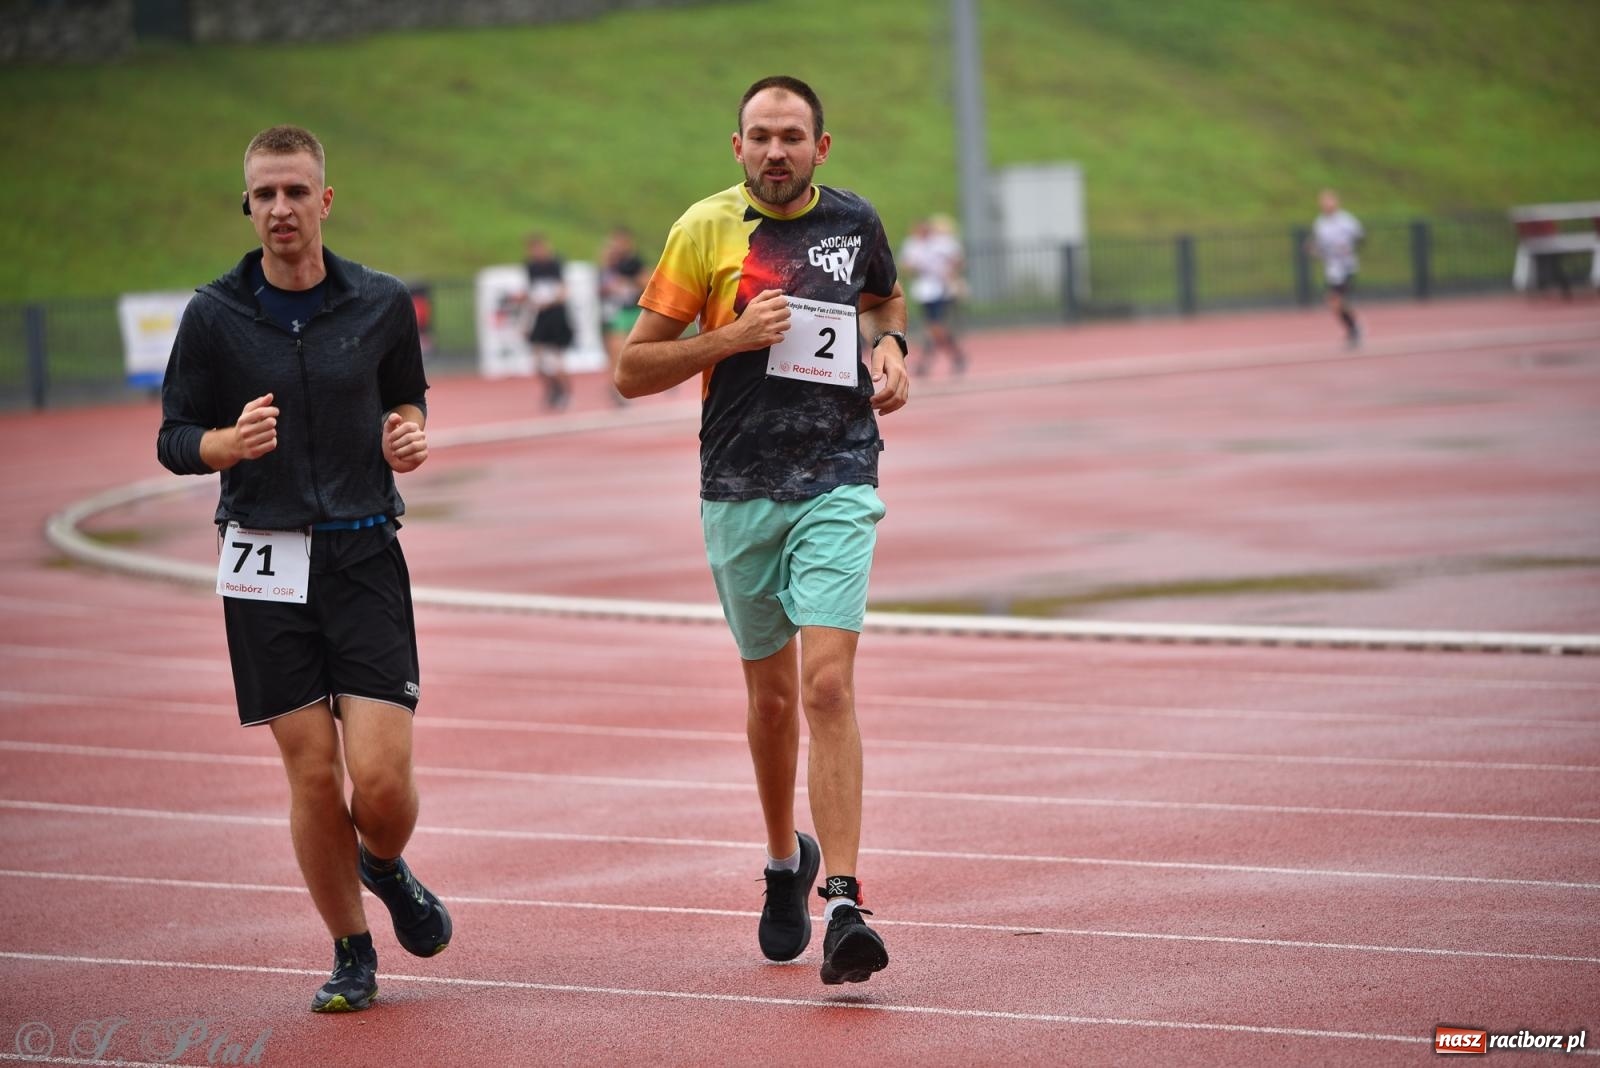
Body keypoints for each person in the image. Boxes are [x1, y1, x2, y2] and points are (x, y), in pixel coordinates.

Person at [616, 75, 909, 986]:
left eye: (791, 136)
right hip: (739, 486)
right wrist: (730, 338)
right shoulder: (704, 230)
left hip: (838, 475)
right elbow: (632, 370)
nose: (775, 151)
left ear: (821, 147)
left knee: (826, 684)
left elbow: (884, 300)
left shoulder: (854, 222)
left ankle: (846, 903)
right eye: (760, 136)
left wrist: (891, 346)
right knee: (773, 701)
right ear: (736, 146)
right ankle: (787, 859)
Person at [156, 125, 451, 1014]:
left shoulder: (379, 302)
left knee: (383, 782)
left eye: (294, 191)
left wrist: (407, 434)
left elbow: (407, 396)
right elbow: (174, 438)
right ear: (247, 207)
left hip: (363, 551)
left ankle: (382, 864)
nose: (280, 208)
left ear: (324, 200)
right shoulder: (214, 316)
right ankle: (351, 952)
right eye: (264, 195)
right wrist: (225, 444)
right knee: (313, 771)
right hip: (264, 557)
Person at [899, 214, 969, 376]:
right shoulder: (912, 245)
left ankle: (927, 362)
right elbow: (906, 266)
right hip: (924, 292)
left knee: (935, 327)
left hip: (941, 289)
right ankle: (955, 357)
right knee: (933, 328)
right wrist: (914, 267)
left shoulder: (941, 243)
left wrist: (950, 273)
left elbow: (958, 260)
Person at [523, 234, 575, 409]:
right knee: (537, 361)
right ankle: (553, 389)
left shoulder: (556, 264)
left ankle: (566, 391)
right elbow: (531, 292)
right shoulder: (531, 267)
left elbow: (563, 291)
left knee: (555, 359)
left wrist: (550, 300)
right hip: (541, 316)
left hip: (556, 316)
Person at [599, 227, 650, 406]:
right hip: (616, 312)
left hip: (634, 311)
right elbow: (603, 286)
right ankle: (616, 389)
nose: (618, 245)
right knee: (616, 351)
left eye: (621, 242)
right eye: (615, 242)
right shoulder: (609, 264)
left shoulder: (635, 262)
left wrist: (627, 282)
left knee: (642, 351)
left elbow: (647, 282)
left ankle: (665, 374)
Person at [1307, 189, 1364, 347]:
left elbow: (1361, 237)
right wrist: (1313, 250)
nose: (1326, 204)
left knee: (1336, 300)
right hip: (1332, 269)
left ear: (1336, 202)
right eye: (1323, 202)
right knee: (1334, 303)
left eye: (1329, 201)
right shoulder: (1320, 223)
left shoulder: (1346, 220)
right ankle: (1353, 327)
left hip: (1346, 266)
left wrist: (1349, 248)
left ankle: (1354, 328)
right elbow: (1319, 246)